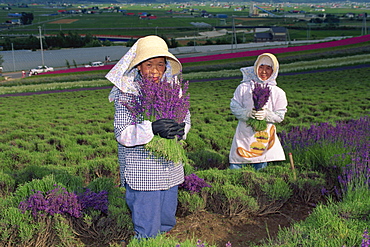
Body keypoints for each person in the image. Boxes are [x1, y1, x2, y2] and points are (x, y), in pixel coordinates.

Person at [105, 35, 191, 243]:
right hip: (142, 170)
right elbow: (122, 134)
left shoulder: (172, 89)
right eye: (149, 64)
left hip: (169, 167)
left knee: (166, 218)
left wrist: (181, 129)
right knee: (147, 226)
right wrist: (151, 128)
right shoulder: (126, 93)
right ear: (138, 67)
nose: (154, 70)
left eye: (160, 64)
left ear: (165, 67)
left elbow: (186, 116)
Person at [229, 53, 288, 171]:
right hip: (244, 134)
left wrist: (267, 115)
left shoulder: (278, 92)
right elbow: (234, 106)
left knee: (261, 165)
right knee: (237, 164)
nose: (264, 71)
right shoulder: (244, 88)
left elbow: (280, 116)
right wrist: (247, 113)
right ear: (255, 67)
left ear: (274, 70)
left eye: (268, 68)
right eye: (261, 67)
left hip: (263, 136)